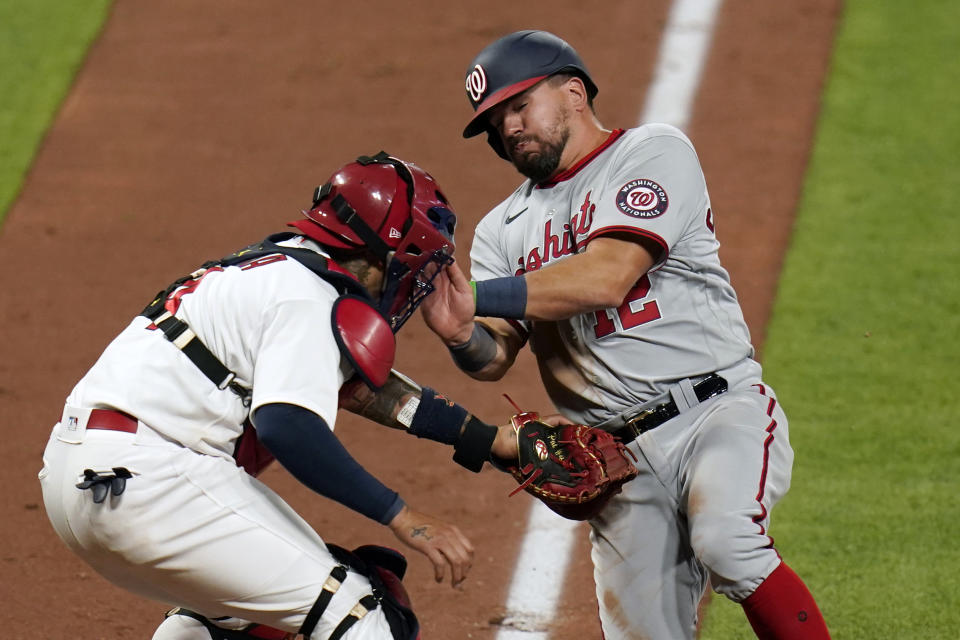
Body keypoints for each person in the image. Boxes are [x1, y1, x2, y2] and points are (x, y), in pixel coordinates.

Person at [421, 30, 831, 639]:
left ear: (574, 91)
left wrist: (476, 296)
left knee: (727, 538)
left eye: (518, 106)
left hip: (713, 412)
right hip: (617, 461)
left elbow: (609, 276)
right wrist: (460, 333)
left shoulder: (650, 153)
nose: (507, 130)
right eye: (493, 123)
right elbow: (494, 356)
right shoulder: (500, 230)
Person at [39, 152, 519, 640]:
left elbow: (361, 391)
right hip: (153, 479)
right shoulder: (309, 296)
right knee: (364, 615)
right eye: (415, 265)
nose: (415, 282)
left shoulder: (279, 269)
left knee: (231, 623)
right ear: (385, 252)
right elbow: (287, 424)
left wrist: (485, 440)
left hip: (78, 480)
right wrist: (402, 516)